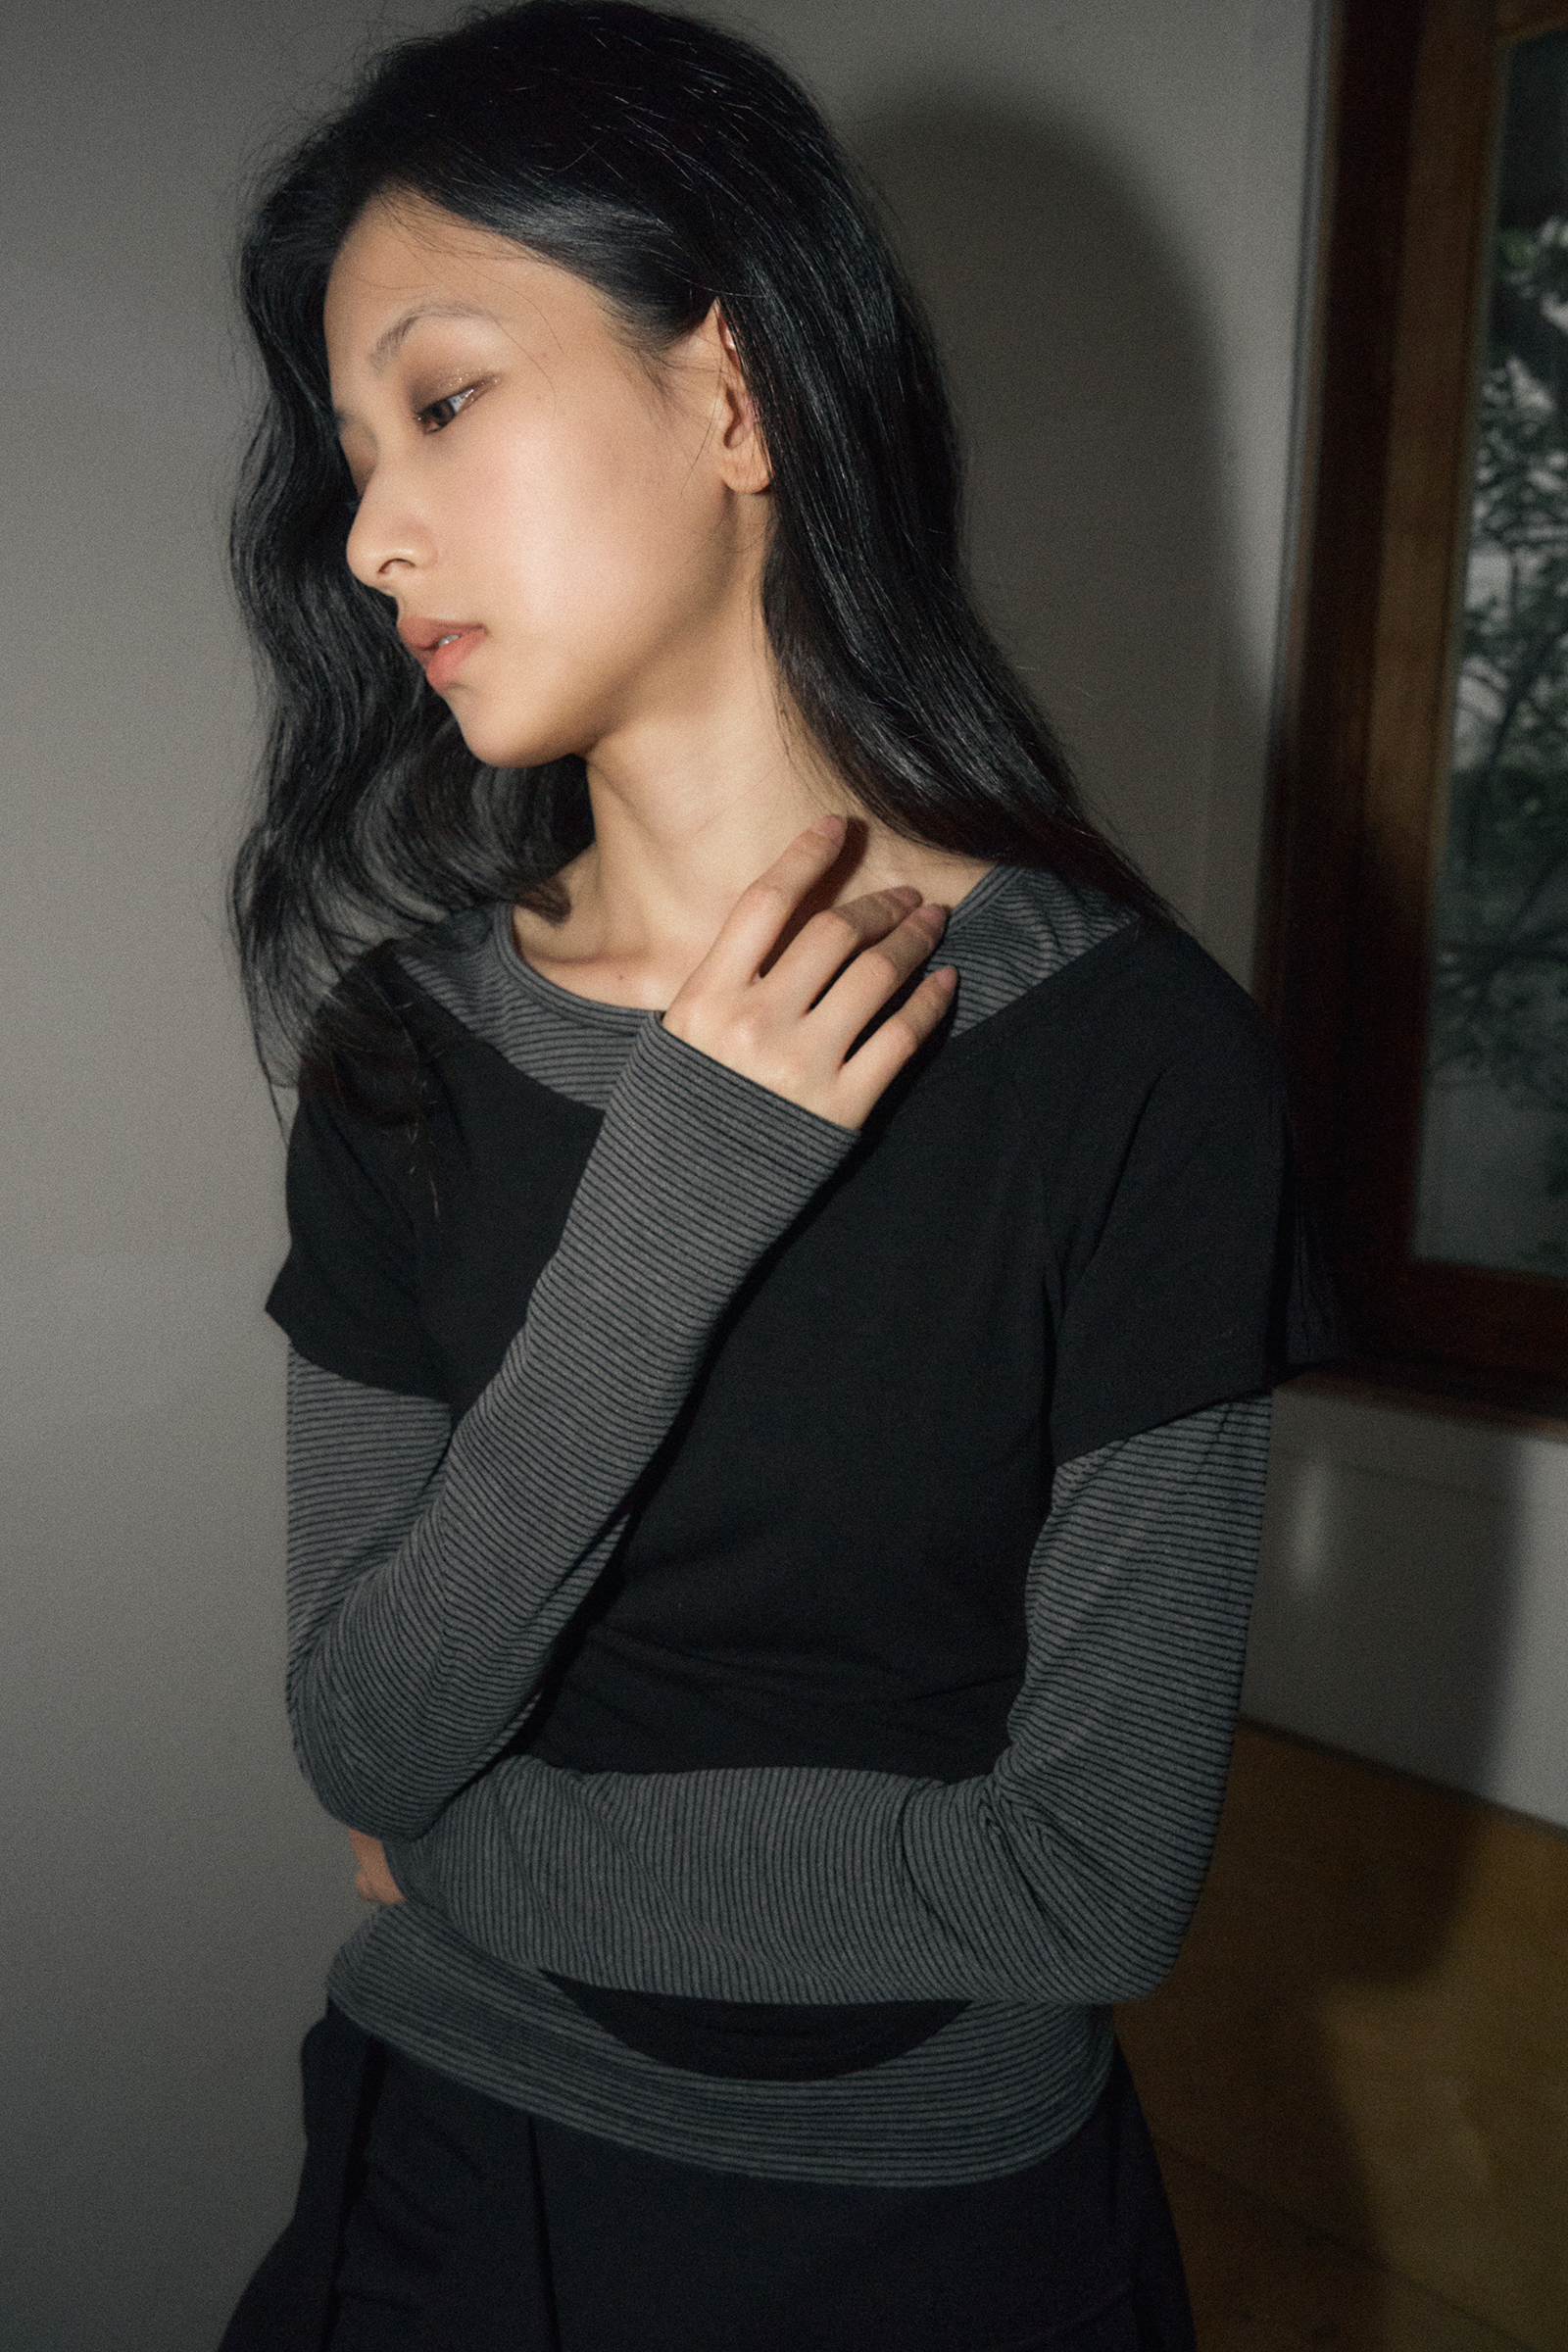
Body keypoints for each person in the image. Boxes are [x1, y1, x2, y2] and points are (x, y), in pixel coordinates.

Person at [218, 5, 1338, 2345]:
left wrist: (474, 1849)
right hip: (438, 2198)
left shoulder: (1133, 1069)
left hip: (935, 2252)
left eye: (442, 400)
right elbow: (364, 1730)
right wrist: (680, 1197)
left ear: (730, 394)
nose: (370, 532)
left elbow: (1089, 1881)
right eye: (348, 455)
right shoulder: (404, 1058)